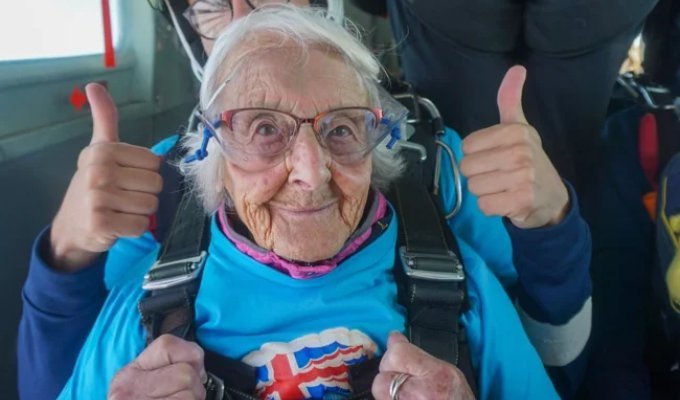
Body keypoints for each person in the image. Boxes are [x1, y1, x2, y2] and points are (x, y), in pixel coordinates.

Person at [18, 2, 591, 399]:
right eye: (262, 128)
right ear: (211, 150)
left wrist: (552, 223)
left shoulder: (443, 181)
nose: (310, 174)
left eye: (342, 129)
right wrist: (66, 255)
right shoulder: (157, 200)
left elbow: (559, 358)